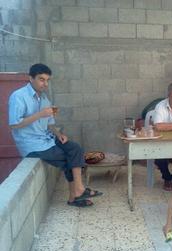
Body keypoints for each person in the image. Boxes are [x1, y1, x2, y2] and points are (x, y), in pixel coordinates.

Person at [8, 63, 102, 207]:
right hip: (32, 144)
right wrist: (40, 114)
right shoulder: (18, 96)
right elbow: (14, 124)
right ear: (30, 78)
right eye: (41, 79)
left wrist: (59, 134)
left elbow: (50, 123)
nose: (45, 83)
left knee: (75, 149)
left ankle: (76, 193)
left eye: (47, 80)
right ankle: (77, 193)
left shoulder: (44, 99)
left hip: (47, 139)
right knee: (68, 159)